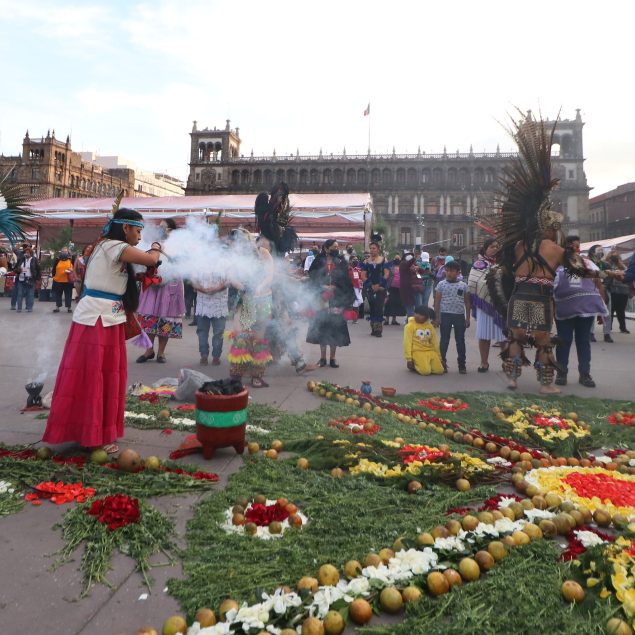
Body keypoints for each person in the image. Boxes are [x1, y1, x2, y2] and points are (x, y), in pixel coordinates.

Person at [43, 209, 161, 454]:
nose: (140, 236)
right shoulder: (114, 246)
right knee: (98, 376)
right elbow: (151, 259)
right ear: (125, 228)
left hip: (102, 316)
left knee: (96, 375)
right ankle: (94, 434)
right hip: (99, 317)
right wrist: (157, 247)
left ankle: (88, 430)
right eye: (138, 230)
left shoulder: (104, 245)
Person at [490, 116, 588, 394]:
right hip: (542, 299)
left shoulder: (519, 244)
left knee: (516, 337)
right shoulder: (557, 250)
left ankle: (512, 379)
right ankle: (545, 384)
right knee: (544, 340)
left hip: (521, 296)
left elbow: (504, 257)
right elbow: (577, 271)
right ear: (552, 228)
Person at [136, 218, 185, 364]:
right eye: (159, 227)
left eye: (163, 227)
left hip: (170, 285)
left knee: (165, 319)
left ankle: (161, 353)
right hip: (152, 284)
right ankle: (149, 350)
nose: (160, 229)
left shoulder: (178, 246)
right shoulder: (153, 243)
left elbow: (181, 264)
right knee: (150, 317)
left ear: (170, 230)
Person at [553, 258, 608, 388]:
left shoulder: (588, 264)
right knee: (563, 341)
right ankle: (561, 373)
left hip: (586, 310)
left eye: (577, 245)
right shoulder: (557, 265)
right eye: (572, 245)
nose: (574, 248)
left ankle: (584, 374)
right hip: (564, 311)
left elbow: (599, 283)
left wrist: (601, 309)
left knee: (583, 341)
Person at [227, 235, 274, 387]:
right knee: (240, 337)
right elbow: (231, 276)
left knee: (259, 339)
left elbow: (269, 275)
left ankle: (257, 376)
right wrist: (241, 286)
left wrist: (260, 286)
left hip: (262, 301)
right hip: (243, 300)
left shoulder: (264, 253)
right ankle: (236, 375)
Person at [306, 239, 354, 367]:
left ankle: (333, 358)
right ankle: (322, 358)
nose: (336, 249)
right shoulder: (318, 261)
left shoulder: (340, 261)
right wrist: (322, 287)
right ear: (326, 248)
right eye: (334, 247)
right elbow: (312, 277)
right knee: (322, 327)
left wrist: (336, 287)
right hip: (321, 299)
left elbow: (346, 280)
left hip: (336, 299)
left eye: (337, 247)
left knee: (335, 328)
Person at [467, 238, 506, 372]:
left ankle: (506, 362)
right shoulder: (479, 264)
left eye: (497, 246)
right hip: (485, 305)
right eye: (491, 246)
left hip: (502, 304)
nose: (495, 248)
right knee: (484, 335)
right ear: (485, 248)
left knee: (504, 336)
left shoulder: (504, 263)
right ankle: (484, 363)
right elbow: (473, 282)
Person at [433, 260, 470, 374]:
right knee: (444, 340)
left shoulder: (463, 285)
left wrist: (467, 318)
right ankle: (442, 363)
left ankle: (462, 365)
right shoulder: (441, 284)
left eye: (452, 271)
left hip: (459, 316)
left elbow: (467, 302)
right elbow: (437, 302)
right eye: (447, 270)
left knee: (460, 341)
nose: (449, 273)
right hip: (445, 315)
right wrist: (437, 318)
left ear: (458, 272)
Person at [194, 274, 228, 366]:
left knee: (219, 333)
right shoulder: (198, 263)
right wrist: (204, 290)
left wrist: (216, 289)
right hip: (202, 304)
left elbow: (229, 280)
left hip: (220, 304)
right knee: (202, 332)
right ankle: (204, 356)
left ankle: (216, 356)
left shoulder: (225, 263)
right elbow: (193, 281)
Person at [404, 306, 444, 376]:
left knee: (440, 371)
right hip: (417, 352)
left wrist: (440, 358)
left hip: (430, 351)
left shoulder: (430, 326)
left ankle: (425, 364)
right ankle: (415, 366)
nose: (417, 316)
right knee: (425, 372)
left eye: (421, 315)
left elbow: (435, 343)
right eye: (416, 313)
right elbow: (407, 343)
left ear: (427, 317)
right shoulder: (409, 326)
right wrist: (409, 359)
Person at [586, 243, 614, 343]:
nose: (600, 253)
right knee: (591, 312)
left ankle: (607, 334)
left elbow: (609, 277)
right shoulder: (587, 264)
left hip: (605, 291)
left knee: (607, 313)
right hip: (591, 290)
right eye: (598, 251)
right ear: (592, 252)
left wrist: (604, 286)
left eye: (602, 251)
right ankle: (590, 333)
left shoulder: (606, 264)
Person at [361, 241, 390, 337]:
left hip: (381, 287)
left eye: (374, 248)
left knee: (379, 307)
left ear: (378, 249)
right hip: (370, 287)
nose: (372, 250)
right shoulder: (366, 261)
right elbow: (363, 275)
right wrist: (370, 285)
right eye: (371, 248)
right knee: (372, 307)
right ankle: (373, 328)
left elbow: (386, 274)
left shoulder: (383, 260)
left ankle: (378, 329)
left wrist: (379, 284)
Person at [604, 250, 630, 334]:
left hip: (623, 291)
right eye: (613, 256)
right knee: (611, 310)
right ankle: (609, 327)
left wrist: (619, 264)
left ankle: (623, 327)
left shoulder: (622, 265)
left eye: (616, 256)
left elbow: (627, 273)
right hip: (612, 290)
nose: (614, 258)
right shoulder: (607, 264)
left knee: (621, 310)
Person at [14, 246, 41, 312]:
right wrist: (19, 270)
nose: (26, 254)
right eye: (25, 252)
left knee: (30, 294)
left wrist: (38, 278)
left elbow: (38, 269)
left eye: (28, 253)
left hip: (31, 279)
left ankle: (29, 308)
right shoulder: (21, 259)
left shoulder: (34, 260)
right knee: (20, 294)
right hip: (21, 279)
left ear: (31, 253)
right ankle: (19, 308)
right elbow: (15, 269)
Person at [384, 253, 406, 325]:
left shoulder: (402, 267)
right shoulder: (390, 267)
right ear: (393, 260)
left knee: (396, 303)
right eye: (395, 258)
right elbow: (386, 276)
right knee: (388, 303)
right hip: (391, 287)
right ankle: (387, 320)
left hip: (399, 288)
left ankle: (394, 320)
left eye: (398, 259)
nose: (397, 260)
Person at [399, 252, 423, 318]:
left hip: (417, 289)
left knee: (419, 308)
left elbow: (420, 274)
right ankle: (410, 324)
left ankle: (417, 323)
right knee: (410, 309)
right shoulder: (403, 264)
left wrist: (417, 269)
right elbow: (408, 264)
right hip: (407, 290)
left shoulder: (414, 265)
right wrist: (414, 257)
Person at [51, 248, 74, 313]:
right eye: (63, 251)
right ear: (60, 252)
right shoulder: (57, 260)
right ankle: (57, 307)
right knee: (58, 294)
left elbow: (74, 268)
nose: (64, 253)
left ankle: (69, 308)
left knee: (68, 294)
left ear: (68, 253)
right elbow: (54, 268)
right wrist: (53, 276)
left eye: (66, 251)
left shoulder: (71, 260)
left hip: (68, 281)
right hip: (58, 280)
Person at [348, 255, 364, 322]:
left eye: (357, 259)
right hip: (350, 288)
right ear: (350, 261)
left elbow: (361, 278)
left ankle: (354, 317)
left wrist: (361, 282)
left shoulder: (359, 270)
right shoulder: (347, 269)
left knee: (358, 302)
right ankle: (351, 318)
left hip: (358, 289)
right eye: (354, 259)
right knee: (351, 303)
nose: (356, 261)